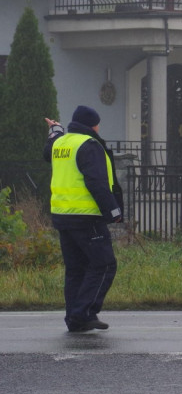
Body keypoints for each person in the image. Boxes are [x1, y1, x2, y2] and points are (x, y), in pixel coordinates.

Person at [44, 105, 123, 333]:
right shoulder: (89, 145)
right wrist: (113, 211)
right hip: (87, 217)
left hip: (62, 216)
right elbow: (96, 182)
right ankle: (84, 314)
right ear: (93, 125)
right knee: (105, 264)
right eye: (98, 124)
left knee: (76, 269)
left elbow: (47, 150)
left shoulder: (61, 142)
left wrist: (55, 130)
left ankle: (74, 318)